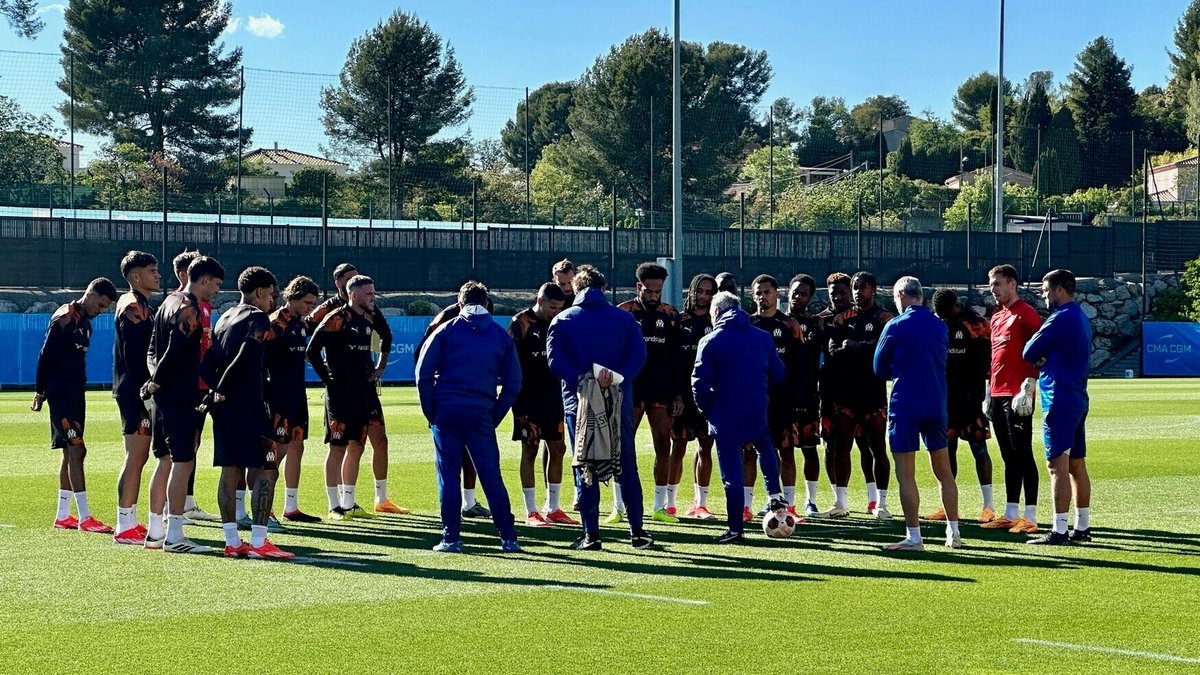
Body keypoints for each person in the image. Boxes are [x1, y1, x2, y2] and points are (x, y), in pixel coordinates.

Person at [546, 264, 653, 551]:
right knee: (626, 465)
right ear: (603, 289)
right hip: (618, 402)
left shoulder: (563, 320)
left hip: (579, 404)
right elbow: (638, 357)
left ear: (577, 289)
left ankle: (591, 535)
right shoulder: (625, 320)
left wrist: (586, 380)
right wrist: (614, 380)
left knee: (586, 465)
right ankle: (637, 532)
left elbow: (555, 362)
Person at [417, 281, 522, 553]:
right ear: (487, 304)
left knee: (448, 475)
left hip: (447, 410)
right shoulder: (501, 336)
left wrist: (431, 411)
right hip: (481, 411)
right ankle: (508, 538)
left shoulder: (445, 330)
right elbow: (513, 384)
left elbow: (423, 375)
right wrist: (494, 415)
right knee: (491, 475)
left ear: (459, 303)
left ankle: (451, 538)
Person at [204, 266, 294, 560]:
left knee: (231, 469)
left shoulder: (224, 318)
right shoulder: (257, 318)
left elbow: (207, 362)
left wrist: (215, 392)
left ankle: (232, 541)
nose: (272, 301)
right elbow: (246, 356)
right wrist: (224, 388)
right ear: (259, 292)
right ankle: (259, 541)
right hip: (249, 406)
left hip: (224, 409)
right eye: (270, 295)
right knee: (268, 467)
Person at [306, 262, 405, 515]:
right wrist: (328, 379)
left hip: (362, 390)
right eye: (369, 294)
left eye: (374, 293)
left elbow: (386, 336)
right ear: (353, 294)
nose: (374, 297)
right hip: (340, 393)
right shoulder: (336, 318)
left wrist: (380, 366)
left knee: (358, 445)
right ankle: (333, 506)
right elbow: (312, 349)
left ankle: (349, 503)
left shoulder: (369, 318)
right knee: (338, 446)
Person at [692, 291, 789, 544]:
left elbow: (699, 385)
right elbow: (779, 373)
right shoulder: (762, 337)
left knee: (731, 475)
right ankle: (774, 494)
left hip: (724, 413)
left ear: (716, 312)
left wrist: (708, 411)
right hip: (756, 408)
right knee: (764, 447)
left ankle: (736, 529)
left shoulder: (710, 340)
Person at [873, 277, 961, 551]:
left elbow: (878, 368)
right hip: (936, 402)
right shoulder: (939, 325)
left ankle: (914, 536)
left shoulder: (895, 326)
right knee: (944, 471)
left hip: (905, 404)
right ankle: (953, 531)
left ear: (901, 295)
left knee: (906, 474)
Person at [144, 256, 224, 553]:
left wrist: (153, 379)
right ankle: (175, 536)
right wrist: (157, 380)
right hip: (181, 394)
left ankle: (155, 532)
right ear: (204, 280)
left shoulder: (167, 302)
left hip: (166, 395)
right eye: (216, 284)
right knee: (182, 461)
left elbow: (152, 349)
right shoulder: (188, 309)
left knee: (165, 460)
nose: (217, 290)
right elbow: (174, 351)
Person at [33, 278, 118, 534]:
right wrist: (39, 392)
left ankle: (62, 516)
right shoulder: (65, 318)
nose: (100, 311)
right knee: (77, 449)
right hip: (61, 395)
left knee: (70, 453)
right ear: (89, 294)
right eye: (100, 305)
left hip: (75, 394)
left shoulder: (85, 324)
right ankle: (85, 517)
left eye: (105, 308)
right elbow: (45, 355)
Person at [1022, 269, 1092, 545]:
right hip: (1076, 395)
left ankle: (1060, 530)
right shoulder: (1081, 316)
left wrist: (1042, 359)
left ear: (1060, 290)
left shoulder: (1060, 318)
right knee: (1077, 464)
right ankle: (1082, 527)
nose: (1043, 293)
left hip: (1059, 397)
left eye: (1046, 288)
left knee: (1056, 466)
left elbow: (1029, 351)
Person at [416, 295, 495, 519]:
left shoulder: (485, 316)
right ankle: (452, 512)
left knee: (470, 455)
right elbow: (421, 355)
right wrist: (431, 401)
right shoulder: (446, 320)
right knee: (451, 459)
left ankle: (468, 503)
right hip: (449, 399)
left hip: (475, 397)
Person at [617, 262, 683, 524]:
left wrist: (678, 394)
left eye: (658, 291)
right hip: (630, 391)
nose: (654, 296)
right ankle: (618, 506)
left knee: (662, 445)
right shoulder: (623, 313)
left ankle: (659, 506)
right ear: (638, 287)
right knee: (621, 448)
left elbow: (677, 359)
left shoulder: (671, 315)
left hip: (661, 391)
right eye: (649, 291)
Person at [825, 271, 894, 519]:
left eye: (863, 287)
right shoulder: (843, 318)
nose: (857, 292)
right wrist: (860, 348)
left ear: (873, 289)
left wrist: (855, 347)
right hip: (845, 393)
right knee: (841, 446)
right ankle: (840, 503)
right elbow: (834, 350)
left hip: (873, 392)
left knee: (877, 448)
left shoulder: (885, 318)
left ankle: (881, 504)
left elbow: (884, 350)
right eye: (855, 287)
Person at [982, 264, 1043, 535]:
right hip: (997, 394)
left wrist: (1029, 385)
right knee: (1008, 455)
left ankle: (1030, 516)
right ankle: (1010, 513)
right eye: (991, 285)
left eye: (997, 284)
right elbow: (994, 359)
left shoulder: (1026, 315)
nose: (992, 290)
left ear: (1012, 283)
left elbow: (1041, 353)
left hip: (1017, 395)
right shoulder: (996, 318)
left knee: (1023, 453)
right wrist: (988, 392)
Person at [509, 283, 576, 527]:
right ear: (539, 299)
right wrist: (518, 406)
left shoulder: (559, 323)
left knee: (558, 448)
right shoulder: (520, 324)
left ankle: (554, 508)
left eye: (560, 308)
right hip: (528, 399)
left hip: (554, 398)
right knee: (530, 450)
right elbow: (512, 366)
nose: (556, 312)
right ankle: (531, 511)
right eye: (552, 307)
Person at [931, 289, 996, 523]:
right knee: (946, 453)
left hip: (970, 400)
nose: (943, 319)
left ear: (955, 306)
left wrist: (980, 393)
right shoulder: (938, 323)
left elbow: (986, 361)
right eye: (939, 315)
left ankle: (988, 507)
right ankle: (948, 507)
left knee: (979, 450)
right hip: (945, 400)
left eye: (945, 314)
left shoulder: (977, 325)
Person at [111, 252, 161, 544]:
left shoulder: (141, 304)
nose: (157, 275)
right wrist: (146, 390)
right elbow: (133, 355)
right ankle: (124, 524)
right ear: (135, 277)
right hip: (134, 390)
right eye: (151, 270)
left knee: (139, 456)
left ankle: (129, 520)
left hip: (135, 388)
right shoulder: (133, 306)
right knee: (136, 455)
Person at [747, 274, 805, 521]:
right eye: (758, 292)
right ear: (753, 296)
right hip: (755, 400)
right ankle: (746, 506)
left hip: (783, 400)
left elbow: (801, 364)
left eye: (767, 292)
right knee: (750, 451)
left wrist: (800, 399)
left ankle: (789, 506)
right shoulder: (748, 325)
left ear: (777, 294)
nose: (763, 297)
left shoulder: (789, 325)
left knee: (786, 451)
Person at [265, 275, 321, 523]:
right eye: (307, 302)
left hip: (297, 394)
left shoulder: (300, 324)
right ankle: (263, 506)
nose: (310, 307)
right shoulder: (276, 323)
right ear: (293, 297)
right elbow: (260, 357)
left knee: (297, 446)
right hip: (279, 397)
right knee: (276, 452)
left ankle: (291, 506)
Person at [170, 250, 220, 523]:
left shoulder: (204, 305)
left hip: (201, 383)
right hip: (184, 386)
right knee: (177, 451)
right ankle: (172, 510)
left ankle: (187, 503)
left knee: (193, 445)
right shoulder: (179, 305)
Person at [674, 273, 718, 520]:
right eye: (699, 290)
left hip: (708, 396)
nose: (703, 296)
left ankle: (700, 504)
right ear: (691, 291)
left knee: (705, 446)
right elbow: (672, 362)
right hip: (682, 395)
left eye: (708, 292)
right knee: (678, 445)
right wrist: (676, 394)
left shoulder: (717, 323)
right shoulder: (678, 322)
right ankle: (668, 502)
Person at [787, 274, 825, 518]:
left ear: (810, 297)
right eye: (795, 291)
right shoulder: (776, 322)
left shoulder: (816, 324)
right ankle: (783, 500)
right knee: (783, 449)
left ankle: (811, 501)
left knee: (809, 449)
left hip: (808, 394)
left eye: (803, 293)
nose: (797, 297)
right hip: (781, 396)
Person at [817, 272, 853, 517]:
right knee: (830, 444)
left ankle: (875, 500)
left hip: (857, 389)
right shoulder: (820, 320)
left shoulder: (858, 316)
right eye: (834, 293)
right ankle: (837, 499)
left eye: (842, 292)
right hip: (827, 390)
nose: (838, 297)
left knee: (865, 444)